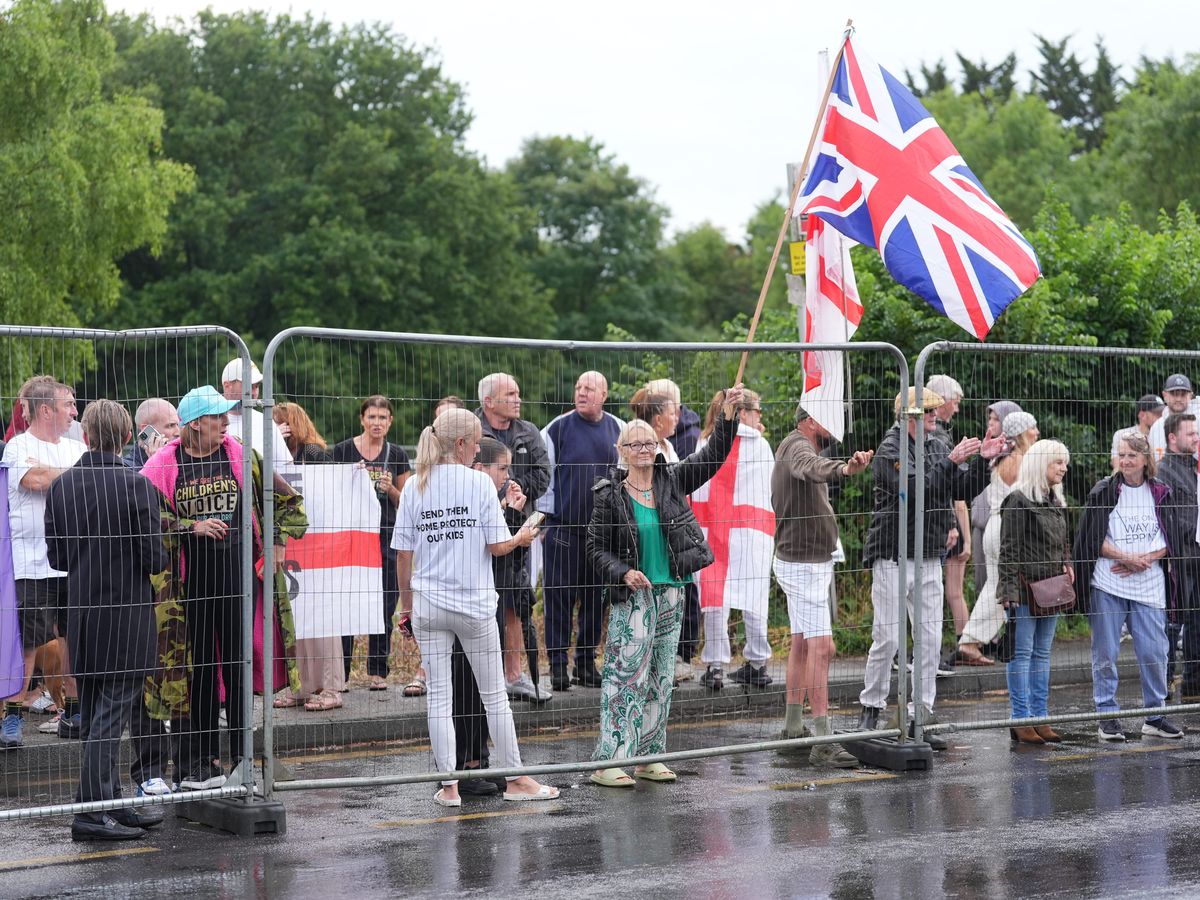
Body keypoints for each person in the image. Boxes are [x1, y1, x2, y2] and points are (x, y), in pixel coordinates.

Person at [141, 385, 308, 791]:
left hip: (239, 582)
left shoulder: (240, 454)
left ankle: (242, 758)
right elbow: (145, 520)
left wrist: (276, 547)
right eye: (218, 416)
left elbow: (288, 501)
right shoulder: (165, 463)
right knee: (196, 673)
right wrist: (190, 527)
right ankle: (199, 763)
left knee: (237, 667)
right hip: (187, 589)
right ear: (196, 424)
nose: (227, 421)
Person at [393, 407, 558, 806]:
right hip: (474, 605)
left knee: (439, 697)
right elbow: (496, 546)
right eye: (476, 439)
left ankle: (449, 787)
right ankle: (516, 778)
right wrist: (520, 538)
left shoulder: (416, 484)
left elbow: (402, 553)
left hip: (429, 603)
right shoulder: (480, 485)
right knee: (493, 696)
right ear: (464, 444)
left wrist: (407, 607)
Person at [586, 384, 744, 788]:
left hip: (672, 590)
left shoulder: (670, 480)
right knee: (625, 675)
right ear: (621, 451)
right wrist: (622, 571)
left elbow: (712, 458)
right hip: (634, 595)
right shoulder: (610, 496)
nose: (642, 450)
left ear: (657, 447)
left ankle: (649, 756)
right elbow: (594, 547)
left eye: (648, 444)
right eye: (634, 444)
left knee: (660, 677)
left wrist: (726, 417)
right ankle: (610, 760)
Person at [45, 400, 168, 840]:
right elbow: (154, 558)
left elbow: (56, 557)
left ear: (87, 435)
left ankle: (106, 802)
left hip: (81, 614)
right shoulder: (135, 486)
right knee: (110, 717)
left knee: (97, 714)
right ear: (128, 438)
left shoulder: (62, 487)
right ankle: (92, 814)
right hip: (127, 618)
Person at [857, 388, 1003, 749]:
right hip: (892, 554)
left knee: (930, 639)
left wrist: (984, 461)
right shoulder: (890, 450)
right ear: (909, 417)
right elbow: (914, 490)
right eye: (928, 412)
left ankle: (919, 712)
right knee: (888, 637)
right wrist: (950, 462)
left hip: (929, 554)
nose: (936, 417)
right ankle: (870, 707)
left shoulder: (937, 444)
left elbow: (961, 488)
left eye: (936, 411)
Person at [771, 403, 873, 765]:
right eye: (829, 416)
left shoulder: (795, 443)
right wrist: (844, 468)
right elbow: (810, 468)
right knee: (823, 647)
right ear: (811, 420)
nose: (836, 424)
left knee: (802, 643)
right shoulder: (798, 446)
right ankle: (823, 739)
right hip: (803, 565)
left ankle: (792, 729)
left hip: (803, 560)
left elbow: (812, 466)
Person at [1073, 432, 1183, 742]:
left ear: (1146, 459)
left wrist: (1146, 558)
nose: (1125, 461)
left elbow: (1172, 535)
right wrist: (1125, 556)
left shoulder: (1161, 492)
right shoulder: (1105, 491)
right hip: (1110, 584)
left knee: (1155, 652)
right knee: (1105, 652)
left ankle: (1155, 715)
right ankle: (1107, 716)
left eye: (1131, 455)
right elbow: (1092, 537)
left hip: (1149, 585)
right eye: (1121, 455)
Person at [0, 378, 85, 748]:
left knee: (73, 637)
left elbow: (88, 483)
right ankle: (12, 717)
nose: (75, 412)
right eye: (69, 405)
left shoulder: (77, 445)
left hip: (73, 560)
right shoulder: (18, 446)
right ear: (46, 409)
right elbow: (33, 480)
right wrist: (71, 474)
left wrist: (57, 474)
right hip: (31, 563)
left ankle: (76, 710)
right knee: (28, 643)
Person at [538, 371, 623, 691]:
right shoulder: (557, 429)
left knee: (595, 600)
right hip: (563, 529)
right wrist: (546, 520)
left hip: (602, 533)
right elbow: (545, 478)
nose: (581, 392)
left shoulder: (618, 429)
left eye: (589, 388)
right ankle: (558, 665)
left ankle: (586, 663)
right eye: (578, 387)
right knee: (558, 598)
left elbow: (623, 477)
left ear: (604, 394)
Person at [692, 390, 775, 692]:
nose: (760, 418)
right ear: (742, 413)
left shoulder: (706, 443)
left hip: (714, 528)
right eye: (757, 411)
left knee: (716, 596)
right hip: (752, 531)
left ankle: (715, 666)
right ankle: (757, 662)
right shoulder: (762, 446)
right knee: (754, 593)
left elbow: (697, 492)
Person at [475, 373, 551, 701]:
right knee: (482, 604)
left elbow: (543, 474)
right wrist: (498, 494)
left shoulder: (528, 431)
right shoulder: (473, 432)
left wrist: (511, 491)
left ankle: (515, 675)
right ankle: (484, 678)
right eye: (510, 393)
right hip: (478, 531)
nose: (518, 398)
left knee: (517, 602)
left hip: (519, 526)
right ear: (488, 401)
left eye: (519, 392)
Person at [332, 396, 412, 691]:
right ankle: (340, 674)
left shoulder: (398, 454)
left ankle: (378, 672)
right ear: (362, 419)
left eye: (383, 417)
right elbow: (331, 494)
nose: (377, 423)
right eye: (372, 417)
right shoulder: (342, 450)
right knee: (347, 604)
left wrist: (390, 487)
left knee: (384, 604)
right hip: (351, 538)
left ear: (390, 421)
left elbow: (407, 502)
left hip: (387, 537)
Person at [995, 440, 1072, 744]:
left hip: (1051, 588)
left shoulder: (1054, 499)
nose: (1063, 468)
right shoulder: (1018, 500)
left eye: (1064, 463)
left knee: (1042, 653)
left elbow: (1063, 540)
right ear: (1041, 464)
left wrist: (1067, 564)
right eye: (1057, 463)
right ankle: (1021, 718)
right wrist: (1009, 592)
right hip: (1025, 591)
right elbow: (1008, 551)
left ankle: (1040, 717)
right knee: (1022, 654)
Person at [271, 401, 345, 711]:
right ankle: (300, 685)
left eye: (279, 424)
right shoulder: (275, 456)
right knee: (297, 615)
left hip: (319, 544)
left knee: (323, 615)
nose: (275, 430)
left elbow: (330, 493)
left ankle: (330, 687)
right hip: (293, 543)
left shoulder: (314, 453)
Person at [957, 410, 1040, 665]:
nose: (1037, 432)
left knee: (996, 586)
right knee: (1000, 587)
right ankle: (971, 641)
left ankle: (972, 640)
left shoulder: (1008, 457)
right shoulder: (1017, 460)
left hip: (998, 528)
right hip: (1003, 529)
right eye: (1033, 428)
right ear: (1023, 432)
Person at [647, 379, 704, 680]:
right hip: (650, 537)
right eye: (672, 411)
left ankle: (677, 655)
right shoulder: (641, 444)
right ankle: (655, 659)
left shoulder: (675, 444)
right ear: (659, 416)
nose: (678, 416)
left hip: (675, 534)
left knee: (680, 593)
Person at [925, 375, 971, 669]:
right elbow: (952, 492)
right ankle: (929, 655)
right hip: (938, 527)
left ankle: (932, 653)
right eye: (955, 402)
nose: (956, 409)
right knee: (933, 592)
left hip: (939, 524)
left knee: (937, 591)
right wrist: (957, 528)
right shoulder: (939, 437)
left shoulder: (940, 434)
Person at [1156, 413, 1200, 698]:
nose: (1196, 438)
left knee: (1197, 620)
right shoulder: (1163, 471)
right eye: (1191, 434)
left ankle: (1194, 682)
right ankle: (1164, 680)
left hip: (1195, 555)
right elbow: (1166, 514)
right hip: (1178, 557)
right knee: (1173, 621)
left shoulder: (1194, 467)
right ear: (1172, 438)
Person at [220, 358, 293, 466]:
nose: (254, 393)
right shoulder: (209, 421)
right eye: (248, 386)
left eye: (257, 386)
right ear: (227, 386)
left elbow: (287, 466)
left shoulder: (265, 422)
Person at [124, 398, 181, 470]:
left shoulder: (183, 459)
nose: (178, 432)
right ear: (146, 430)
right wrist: (156, 464)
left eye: (178, 425)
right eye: (170, 425)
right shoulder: (127, 469)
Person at [1148, 374, 1194, 461]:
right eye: (1174, 394)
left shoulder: (1198, 423)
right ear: (1164, 395)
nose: (1178, 399)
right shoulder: (1156, 427)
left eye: (1183, 394)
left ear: (1190, 396)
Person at [1111, 394, 1165, 468]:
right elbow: (1118, 466)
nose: (1161, 418)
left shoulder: (1164, 435)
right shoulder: (1122, 435)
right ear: (1142, 415)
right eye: (1157, 414)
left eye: (1162, 414)